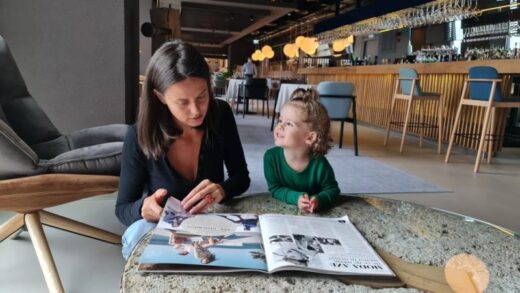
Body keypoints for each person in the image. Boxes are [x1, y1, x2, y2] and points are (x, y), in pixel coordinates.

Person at [115, 40, 250, 259]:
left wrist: (222, 190)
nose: (196, 111)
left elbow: (241, 177)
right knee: (136, 235)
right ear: (160, 97)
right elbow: (122, 208)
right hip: (164, 229)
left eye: (202, 97)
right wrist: (143, 208)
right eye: (182, 102)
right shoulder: (140, 135)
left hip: (209, 224)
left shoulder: (221, 114)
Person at [263, 88, 339, 214]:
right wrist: (296, 198)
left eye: (289, 124)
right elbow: (275, 189)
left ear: (309, 137)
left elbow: (332, 190)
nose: (280, 126)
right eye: (280, 120)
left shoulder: (320, 164)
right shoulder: (271, 158)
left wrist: (319, 200)